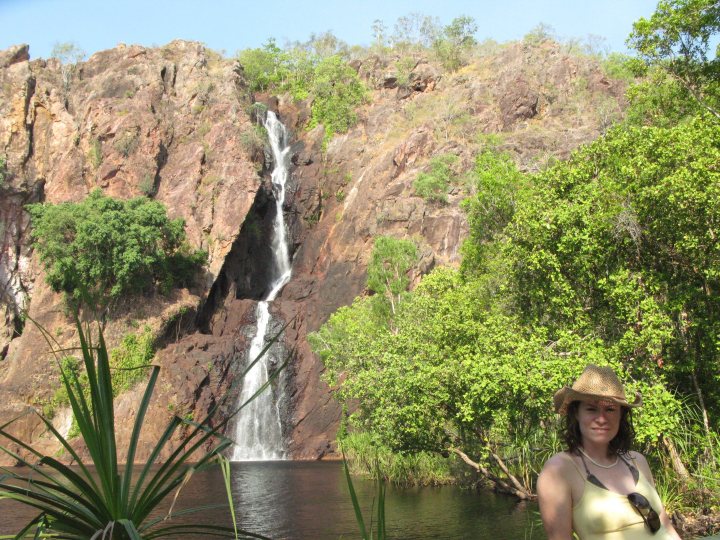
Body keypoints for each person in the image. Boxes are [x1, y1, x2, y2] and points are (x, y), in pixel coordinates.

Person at [537, 364, 682, 540]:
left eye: (610, 409)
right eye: (591, 409)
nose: (601, 419)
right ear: (576, 413)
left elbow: (664, 524)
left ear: (621, 415)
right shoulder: (559, 470)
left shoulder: (637, 460)